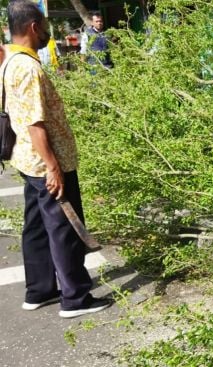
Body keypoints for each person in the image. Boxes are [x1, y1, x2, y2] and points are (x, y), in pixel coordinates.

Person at [3, 0, 112, 318]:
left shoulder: (9, 61)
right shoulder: (29, 67)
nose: (48, 32)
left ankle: (39, 290)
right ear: (34, 27)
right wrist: (54, 167)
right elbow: (36, 123)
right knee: (62, 228)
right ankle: (75, 298)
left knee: (35, 227)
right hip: (47, 162)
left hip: (26, 159)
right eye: (45, 26)